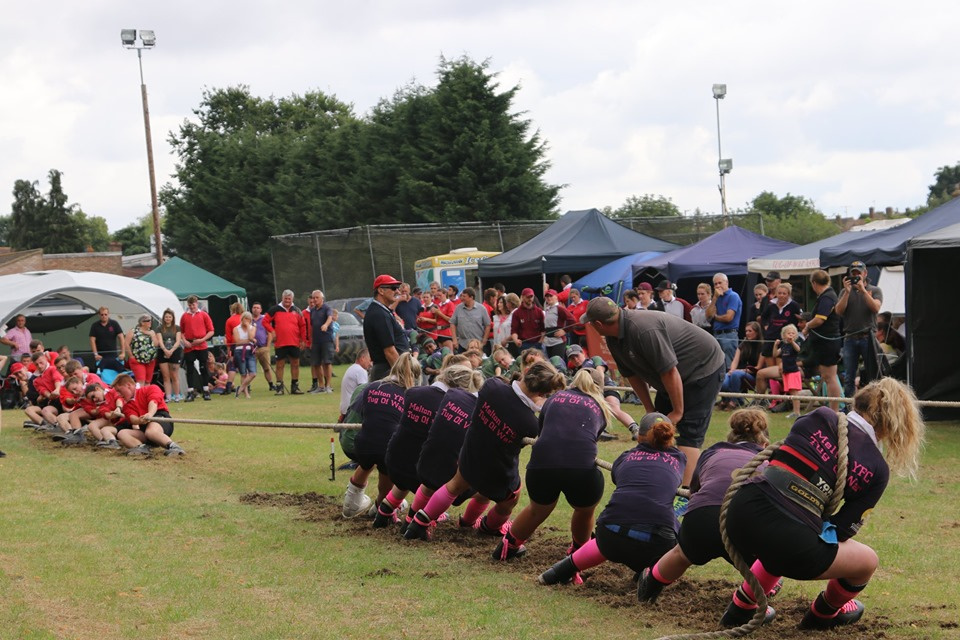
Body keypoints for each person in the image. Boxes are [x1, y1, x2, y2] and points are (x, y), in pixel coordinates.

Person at [721, 378, 924, 629]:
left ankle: (739, 610)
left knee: (784, 534)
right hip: (789, 544)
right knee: (866, 561)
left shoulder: (817, 415)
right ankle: (821, 616)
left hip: (740, 514)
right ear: (894, 424)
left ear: (856, 401)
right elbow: (842, 529)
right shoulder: (877, 468)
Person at [404, 361, 566, 541]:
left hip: (469, 455)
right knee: (511, 498)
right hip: (495, 470)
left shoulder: (492, 386)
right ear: (542, 394)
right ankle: (487, 526)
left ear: (526, 372)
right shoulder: (530, 424)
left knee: (453, 486)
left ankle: (420, 522)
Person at [583, 297, 724, 493]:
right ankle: (659, 479)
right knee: (655, 426)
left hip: (702, 368)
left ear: (598, 324)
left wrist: (677, 411)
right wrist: (650, 410)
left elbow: (669, 372)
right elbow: (631, 374)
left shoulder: (643, 329)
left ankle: (684, 494)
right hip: (672, 377)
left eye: (589, 322)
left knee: (689, 433)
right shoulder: (613, 338)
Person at [638, 409, 771, 604]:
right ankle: (748, 602)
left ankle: (650, 585)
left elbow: (695, 489)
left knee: (681, 554)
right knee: (766, 564)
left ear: (730, 439)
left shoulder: (713, 451)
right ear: (764, 445)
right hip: (744, 520)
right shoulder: (769, 462)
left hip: (704, 513)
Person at [537, 413, 685, 586]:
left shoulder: (624, 457)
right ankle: (649, 579)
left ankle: (557, 572)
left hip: (610, 535)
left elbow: (617, 478)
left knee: (606, 538)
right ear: (670, 437)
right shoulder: (679, 459)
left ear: (638, 437)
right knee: (677, 551)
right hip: (657, 542)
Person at [493, 368, 615, 561]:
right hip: (580, 469)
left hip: (541, 465)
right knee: (584, 510)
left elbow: (542, 430)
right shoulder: (599, 405)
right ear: (599, 387)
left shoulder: (554, 398)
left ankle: (508, 546)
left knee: (537, 509)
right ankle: (577, 553)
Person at [374, 364, 482, 528]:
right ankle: (423, 517)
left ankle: (385, 511)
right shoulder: (449, 406)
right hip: (420, 470)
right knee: (476, 488)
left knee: (409, 471)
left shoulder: (413, 392)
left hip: (394, 460)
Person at [341, 353, 421, 518]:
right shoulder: (411, 395)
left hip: (363, 443)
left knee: (366, 463)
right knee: (388, 466)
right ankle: (381, 504)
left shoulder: (371, 387)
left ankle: (351, 503)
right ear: (415, 376)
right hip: (388, 447)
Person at [836, 261, 884, 398]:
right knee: (849, 375)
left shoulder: (874, 290)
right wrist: (846, 293)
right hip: (850, 337)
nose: (856, 276)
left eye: (859, 273)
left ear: (865, 274)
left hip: (868, 337)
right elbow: (839, 311)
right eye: (853, 273)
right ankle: (849, 407)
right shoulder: (844, 292)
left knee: (872, 374)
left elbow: (875, 308)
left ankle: (873, 404)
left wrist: (863, 291)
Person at [113, 374, 186, 456]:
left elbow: (154, 402)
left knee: (150, 431)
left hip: (161, 419)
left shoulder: (151, 388)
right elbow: (132, 418)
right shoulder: (127, 405)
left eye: (119, 391)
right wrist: (139, 420)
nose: (119, 395)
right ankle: (142, 448)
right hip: (145, 427)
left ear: (128, 385)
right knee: (122, 433)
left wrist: (150, 414)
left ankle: (174, 447)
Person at [803, 270, 843, 411]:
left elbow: (820, 319)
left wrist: (807, 326)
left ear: (814, 283)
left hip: (828, 342)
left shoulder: (827, 297)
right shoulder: (827, 296)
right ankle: (833, 409)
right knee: (827, 376)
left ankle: (835, 410)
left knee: (830, 376)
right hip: (825, 342)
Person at [364, 275, 412, 381]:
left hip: (388, 370)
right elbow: (389, 351)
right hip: (388, 371)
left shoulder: (381, 310)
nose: (398, 292)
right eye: (394, 288)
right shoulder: (379, 314)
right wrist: (403, 377)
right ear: (381, 290)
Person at [265, 290, 307, 395]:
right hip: (280, 342)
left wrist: (303, 339)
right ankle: (279, 387)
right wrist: (272, 331)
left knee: (295, 364)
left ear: (292, 299)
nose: (287, 301)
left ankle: (295, 386)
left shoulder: (297, 310)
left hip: (294, 342)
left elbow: (302, 326)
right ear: (282, 298)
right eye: (285, 299)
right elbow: (265, 321)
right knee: (280, 365)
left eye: (289, 299)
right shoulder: (275, 309)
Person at [719, 321, 763, 410]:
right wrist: (732, 370)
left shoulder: (762, 346)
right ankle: (726, 400)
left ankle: (734, 401)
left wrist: (742, 371)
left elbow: (758, 367)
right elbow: (735, 361)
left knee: (736, 374)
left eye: (750, 331)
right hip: (737, 372)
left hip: (753, 375)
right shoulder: (743, 344)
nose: (747, 333)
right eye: (746, 331)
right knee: (723, 379)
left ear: (757, 332)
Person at [758, 283, 802, 370]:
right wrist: (766, 326)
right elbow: (763, 317)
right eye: (779, 293)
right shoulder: (771, 305)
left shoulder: (794, 305)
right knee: (770, 369)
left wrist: (795, 332)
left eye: (784, 293)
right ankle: (771, 383)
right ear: (776, 294)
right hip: (771, 338)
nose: (781, 295)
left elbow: (800, 318)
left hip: (785, 340)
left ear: (788, 294)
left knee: (780, 369)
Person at [180, 295, 215, 402]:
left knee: (204, 367)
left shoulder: (204, 315)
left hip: (201, 344)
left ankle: (206, 390)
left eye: (193, 304)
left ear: (197, 303)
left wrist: (202, 339)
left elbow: (211, 330)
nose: (192, 307)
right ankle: (191, 392)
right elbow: (181, 332)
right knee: (189, 369)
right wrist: (185, 341)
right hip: (189, 345)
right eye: (190, 305)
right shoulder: (184, 316)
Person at [707, 273, 742, 370]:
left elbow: (728, 317)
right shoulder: (716, 297)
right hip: (716, 334)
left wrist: (716, 317)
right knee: (717, 366)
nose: (718, 286)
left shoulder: (733, 296)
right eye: (715, 284)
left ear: (726, 282)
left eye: (720, 283)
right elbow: (708, 315)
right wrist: (714, 298)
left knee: (729, 366)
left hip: (729, 334)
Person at [306, 290, 336, 393]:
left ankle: (328, 386)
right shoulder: (313, 311)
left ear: (321, 298)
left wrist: (326, 325)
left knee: (327, 362)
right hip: (316, 341)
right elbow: (311, 326)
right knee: (316, 363)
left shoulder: (327, 308)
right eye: (313, 298)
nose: (314, 300)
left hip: (326, 340)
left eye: (316, 298)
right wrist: (310, 340)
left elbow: (330, 317)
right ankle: (321, 386)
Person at [449, 287, 491, 354]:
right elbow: (452, 323)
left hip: (478, 345)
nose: (461, 298)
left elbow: (488, 325)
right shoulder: (458, 308)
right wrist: (454, 340)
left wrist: (484, 340)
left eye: (464, 296)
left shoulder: (482, 309)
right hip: (463, 344)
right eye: (462, 296)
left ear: (471, 297)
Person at [89, 307, 126, 373]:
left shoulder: (114, 323)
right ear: (99, 315)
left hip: (114, 356)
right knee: (100, 374)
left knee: (120, 373)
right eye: (102, 314)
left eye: (105, 314)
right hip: (100, 357)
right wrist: (95, 354)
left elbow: (121, 337)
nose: (104, 316)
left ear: (108, 314)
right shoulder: (95, 325)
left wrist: (123, 353)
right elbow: (92, 340)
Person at [156, 309, 183, 402]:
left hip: (175, 352)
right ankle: (168, 396)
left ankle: (177, 395)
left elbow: (178, 340)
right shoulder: (159, 328)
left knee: (174, 375)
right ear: (163, 318)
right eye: (166, 317)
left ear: (172, 318)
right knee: (166, 376)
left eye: (169, 317)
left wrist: (171, 350)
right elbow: (159, 340)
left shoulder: (177, 328)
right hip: (162, 352)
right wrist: (165, 350)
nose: (168, 318)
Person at [125, 314, 159, 387]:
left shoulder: (152, 332)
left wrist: (152, 335)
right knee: (141, 381)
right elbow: (126, 344)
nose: (150, 322)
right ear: (142, 322)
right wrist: (131, 356)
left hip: (150, 360)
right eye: (148, 321)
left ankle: (146, 397)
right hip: (137, 360)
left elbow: (156, 344)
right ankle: (140, 397)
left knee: (148, 381)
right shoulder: (133, 331)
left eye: (151, 320)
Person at [251, 302, 277, 391]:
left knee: (267, 368)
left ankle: (271, 384)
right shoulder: (248, 319)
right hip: (251, 348)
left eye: (258, 308)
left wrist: (268, 346)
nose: (256, 309)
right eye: (254, 307)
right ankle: (247, 386)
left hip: (263, 347)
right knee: (250, 369)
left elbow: (269, 332)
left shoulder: (264, 319)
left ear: (261, 310)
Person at [541, 289, 574, 360]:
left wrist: (564, 331)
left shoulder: (559, 308)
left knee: (557, 362)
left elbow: (572, 320)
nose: (549, 298)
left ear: (556, 297)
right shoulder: (547, 309)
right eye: (547, 296)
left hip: (558, 341)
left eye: (551, 296)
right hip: (548, 341)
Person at [510, 288, 545, 353]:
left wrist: (540, 342)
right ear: (522, 297)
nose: (530, 299)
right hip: (524, 344)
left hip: (537, 343)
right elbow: (514, 330)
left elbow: (543, 329)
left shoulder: (539, 312)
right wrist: (516, 340)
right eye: (528, 297)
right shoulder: (516, 313)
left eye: (531, 296)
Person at [339, 348, 371, 420]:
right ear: (362, 358)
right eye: (369, 360)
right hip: (352, 409)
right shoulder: (361, 371)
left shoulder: (352, 368)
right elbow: (364, 393)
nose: (370, 364)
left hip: (345, 408)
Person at [232, 311, 258, 398]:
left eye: (248, 319)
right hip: (239, 352)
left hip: (250, 352)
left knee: (253, 373)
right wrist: (250, 341)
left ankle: (240, 388)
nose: (246, 320)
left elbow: (251, 337)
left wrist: (248, 327)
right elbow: (237, 342)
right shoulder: (236, 328)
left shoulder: (252, 328)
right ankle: (246, 393)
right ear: (242, 319)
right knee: (243, 373)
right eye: (245, 318)